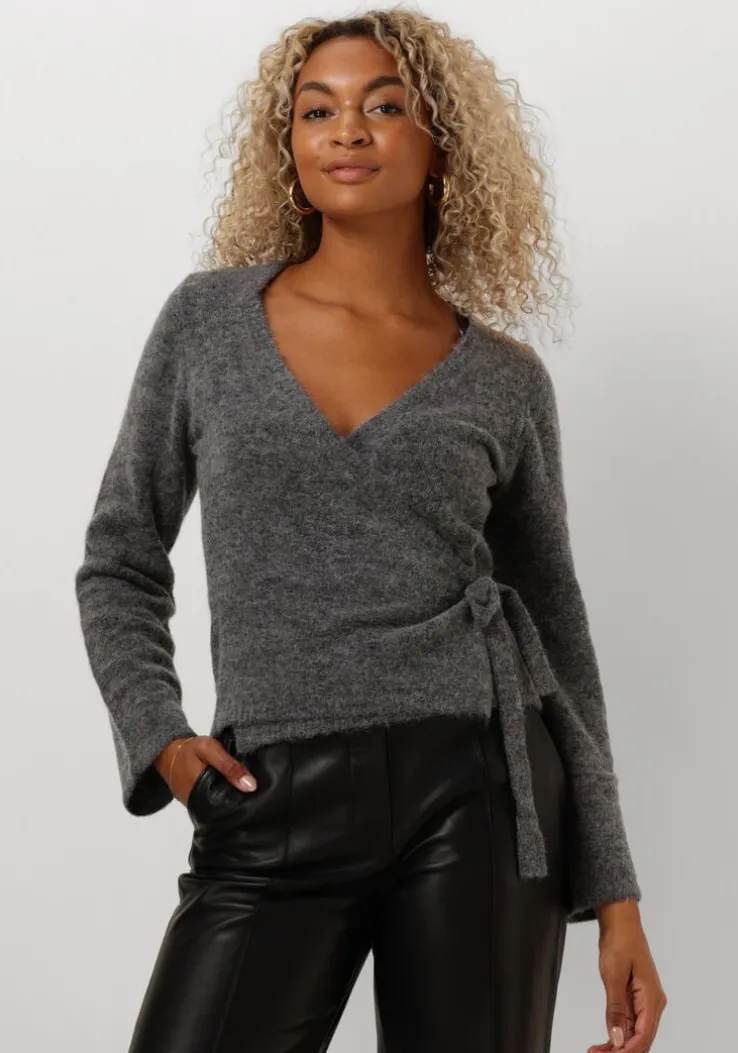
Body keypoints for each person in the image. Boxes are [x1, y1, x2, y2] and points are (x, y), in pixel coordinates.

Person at [74, 8, 667, 1053]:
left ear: (442, 147)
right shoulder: (207, 324)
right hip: (271, 794)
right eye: (318, 111)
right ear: (290, 146)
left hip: (482, 794)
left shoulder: (506, 380)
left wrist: (616, 895)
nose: (347, 129)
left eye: (384, 106)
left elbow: (560, 637)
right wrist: (164, 742)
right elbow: (120, 559)